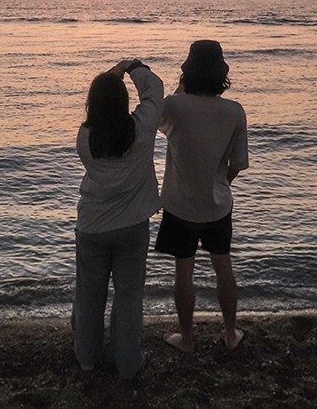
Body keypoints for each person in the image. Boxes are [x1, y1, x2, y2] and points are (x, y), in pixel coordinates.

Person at [156, 40, 249, 352]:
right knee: (223, 266)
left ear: (187, 72)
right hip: (218, 204)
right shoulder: (234, 111)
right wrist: (221, 182)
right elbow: (238, 164)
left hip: (179, 204)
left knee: (184, 270)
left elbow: (157, 119)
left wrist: (181, 88)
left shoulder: (174, 106)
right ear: (222, 74)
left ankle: (187, 337)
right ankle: (231, 333)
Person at [73, 58, 164, 380]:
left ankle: (87, 359)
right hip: (131, 226)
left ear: (92, 104)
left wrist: (109, 79)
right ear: (124, 101)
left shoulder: (85, 138)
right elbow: (155, 90)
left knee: (89, 295)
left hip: (92, 226)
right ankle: (127, 364)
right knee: (128, 297)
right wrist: (129, 67)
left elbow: (106, 115)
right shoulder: (141, 129)